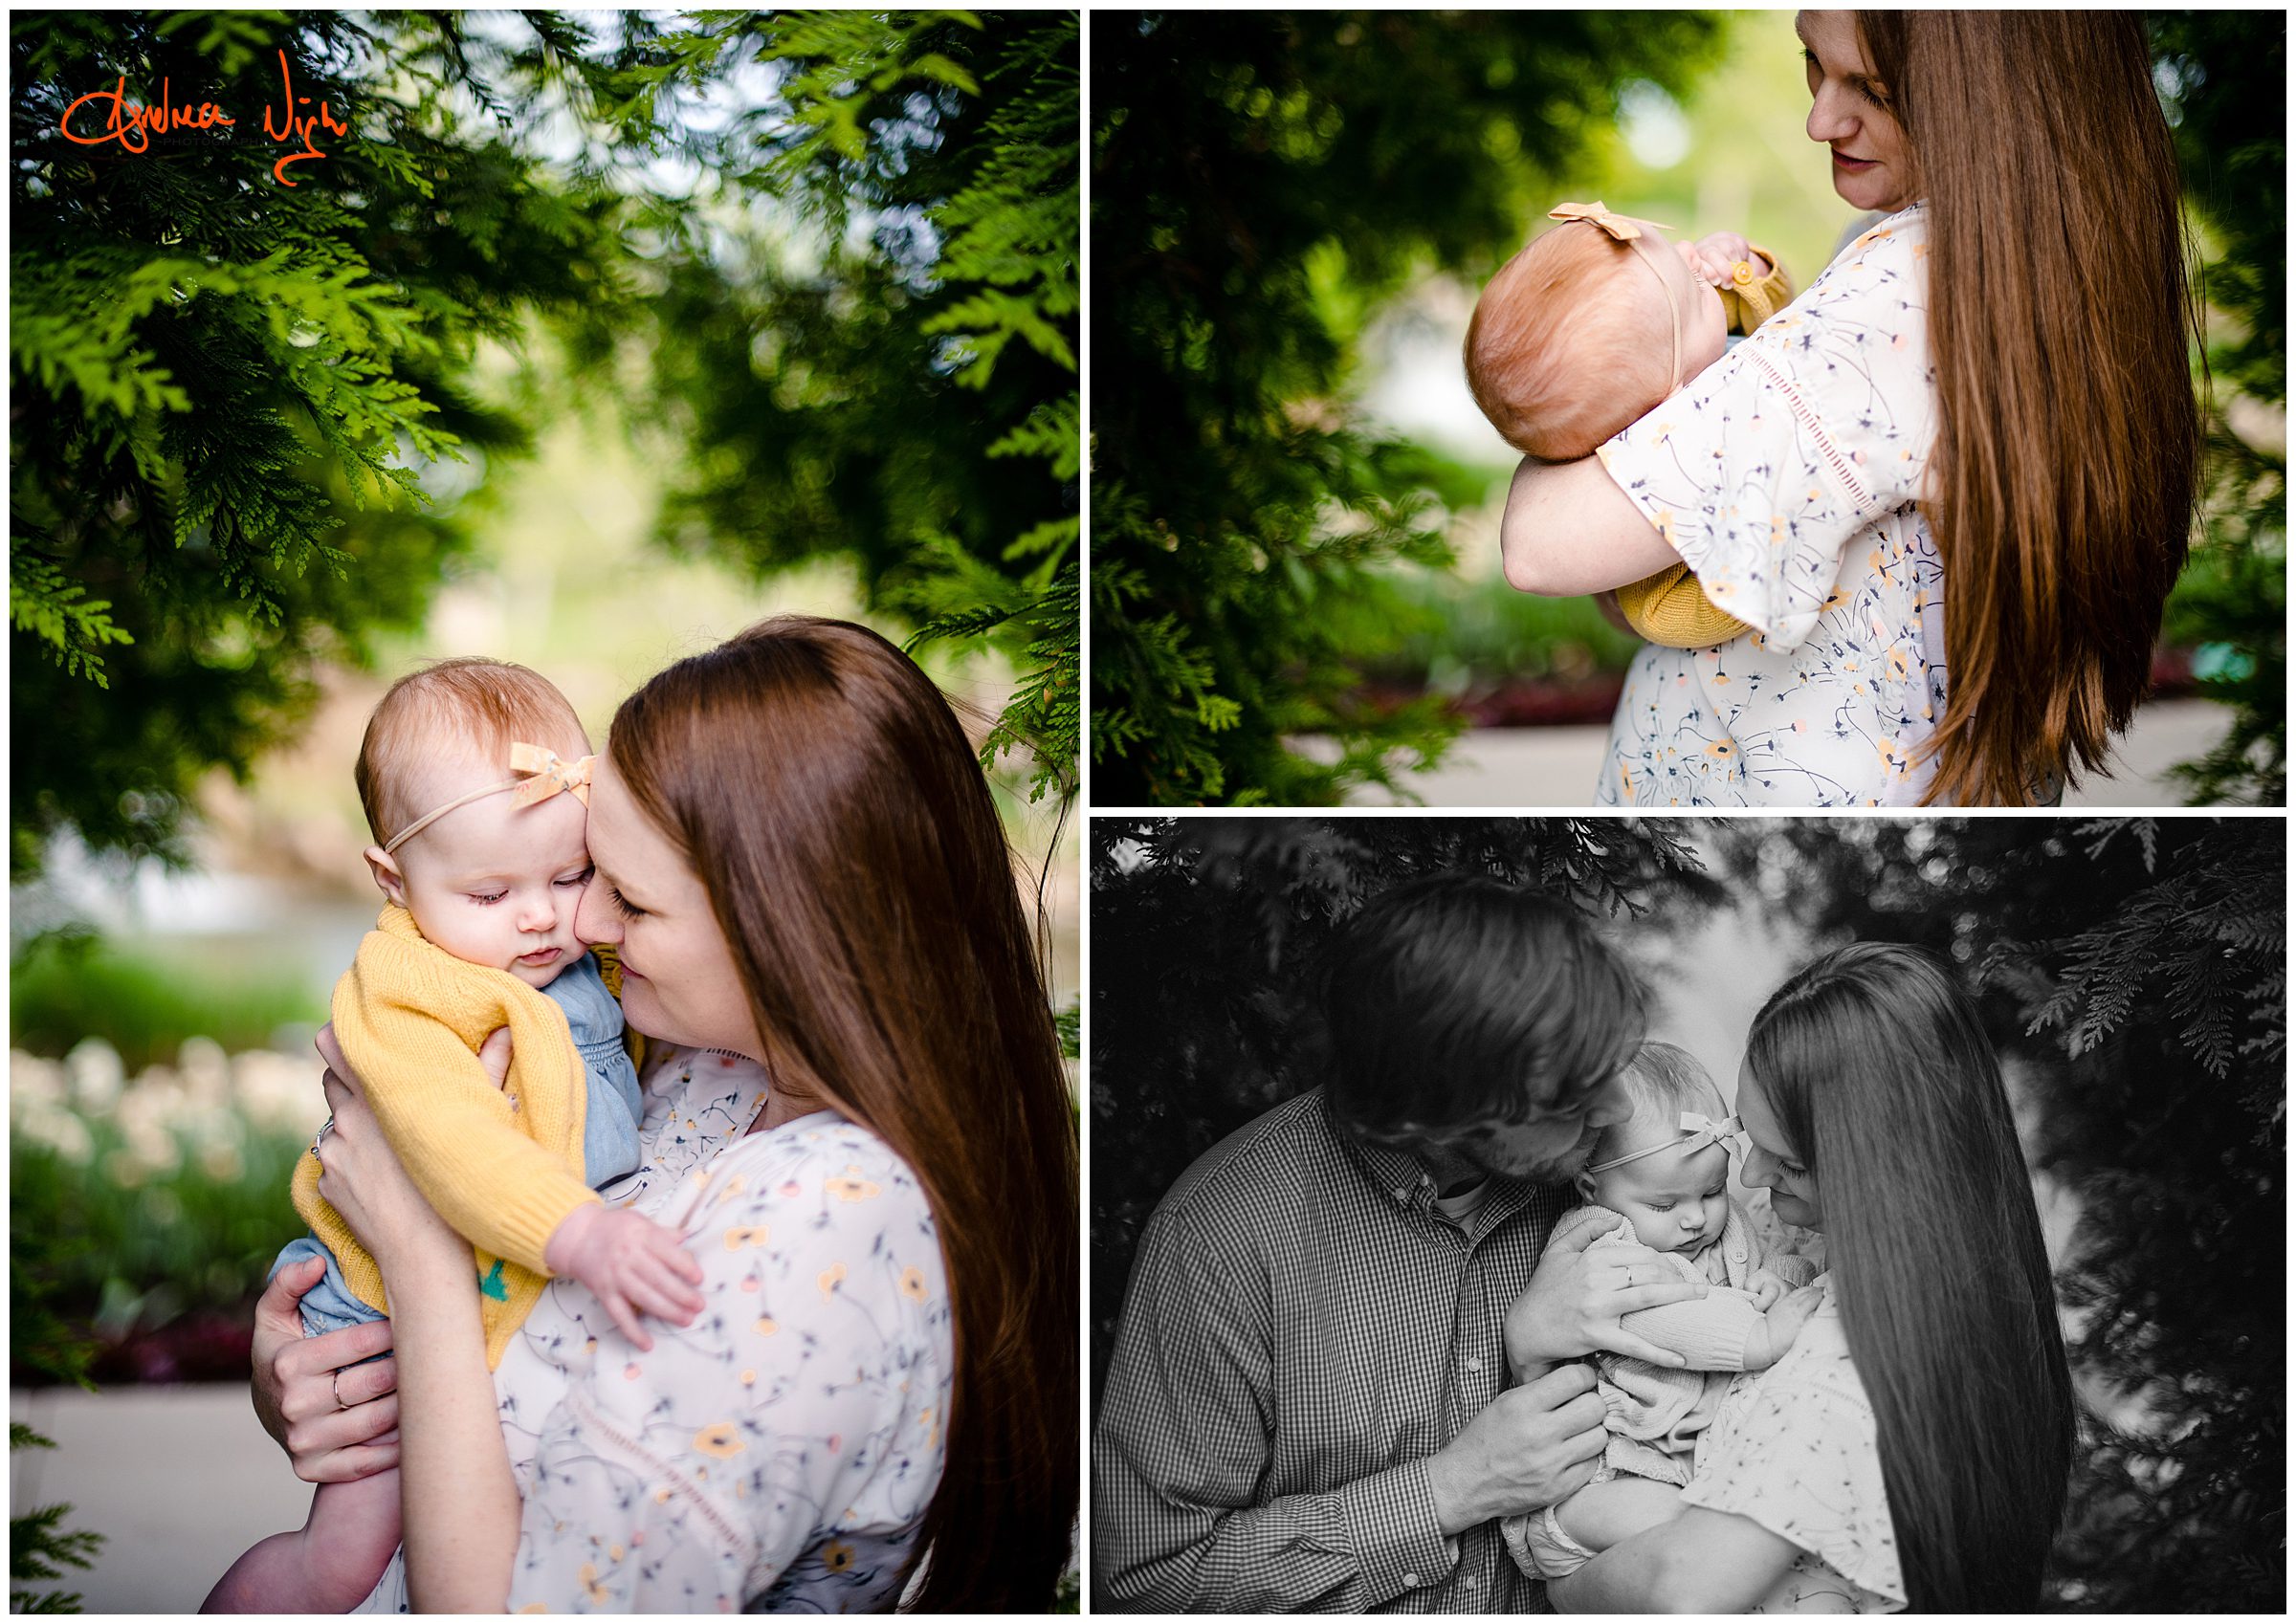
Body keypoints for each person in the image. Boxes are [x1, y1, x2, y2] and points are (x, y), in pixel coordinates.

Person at [242, 617, 1079, 1612]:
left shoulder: (830, 1231)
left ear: (783, 924)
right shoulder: (709, 1078)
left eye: (624, 899)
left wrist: (417, 1247)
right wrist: (310, 1381)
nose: (583, 926)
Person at [1497, 11, 2197, 807]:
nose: (1818, 120)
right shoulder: (2047, 280)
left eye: (1874, 88)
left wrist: (1570, 398)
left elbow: (1540, 546)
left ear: (1993, 99)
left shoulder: (1906, 286)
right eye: (1811, 61)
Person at [206, 660, 704, 1613]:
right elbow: (446, 1143)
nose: (541, 915)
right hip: (385, 1316)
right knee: (341, 1563)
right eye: (489, 893)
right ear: (395, 880)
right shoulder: (407, 992)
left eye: (572, 873)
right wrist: (580, 1234)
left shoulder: (571, 951)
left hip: (490, 1282)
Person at [1093, 874, 1717, 1613]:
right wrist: (1451, 1489)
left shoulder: (1607, 1177)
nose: (1615, 1106)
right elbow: (1151, 1581)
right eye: (1569, 1095)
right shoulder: (1222, 1238)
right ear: (1433, 1113)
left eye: (1612, 1061)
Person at [1545, 943, 2074, 1612]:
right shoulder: (1931, 1272)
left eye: (1787, 1163)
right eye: (1746, 1136)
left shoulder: (1845, 1364)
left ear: (1872, 1169)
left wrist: (1562, 1561)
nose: (1750, 1180)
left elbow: (1680, 1589)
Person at [1502, 1042, 1823, 1584]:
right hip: (1605, 1483)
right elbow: (1662, 1318)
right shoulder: (1601, 1244)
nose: (1695, 1218)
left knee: (1736, 1546)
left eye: (1713, 1191)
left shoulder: (1725, 1224)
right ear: (1592, 1188)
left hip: (1685, 1470)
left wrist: (1780, 1282)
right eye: (1664, 1205)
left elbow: (1779, 1266)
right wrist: (1762, 1333)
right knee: (1700, 1541)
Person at [1465, 202, 1793, 648]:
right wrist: (1777, 552)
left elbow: (1782, 319)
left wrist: (1744, 271)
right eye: (1694, 284)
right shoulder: (1657, 487)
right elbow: (1665, 618)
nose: (1690, 253)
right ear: (1667, 403)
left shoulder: (1690, 351)